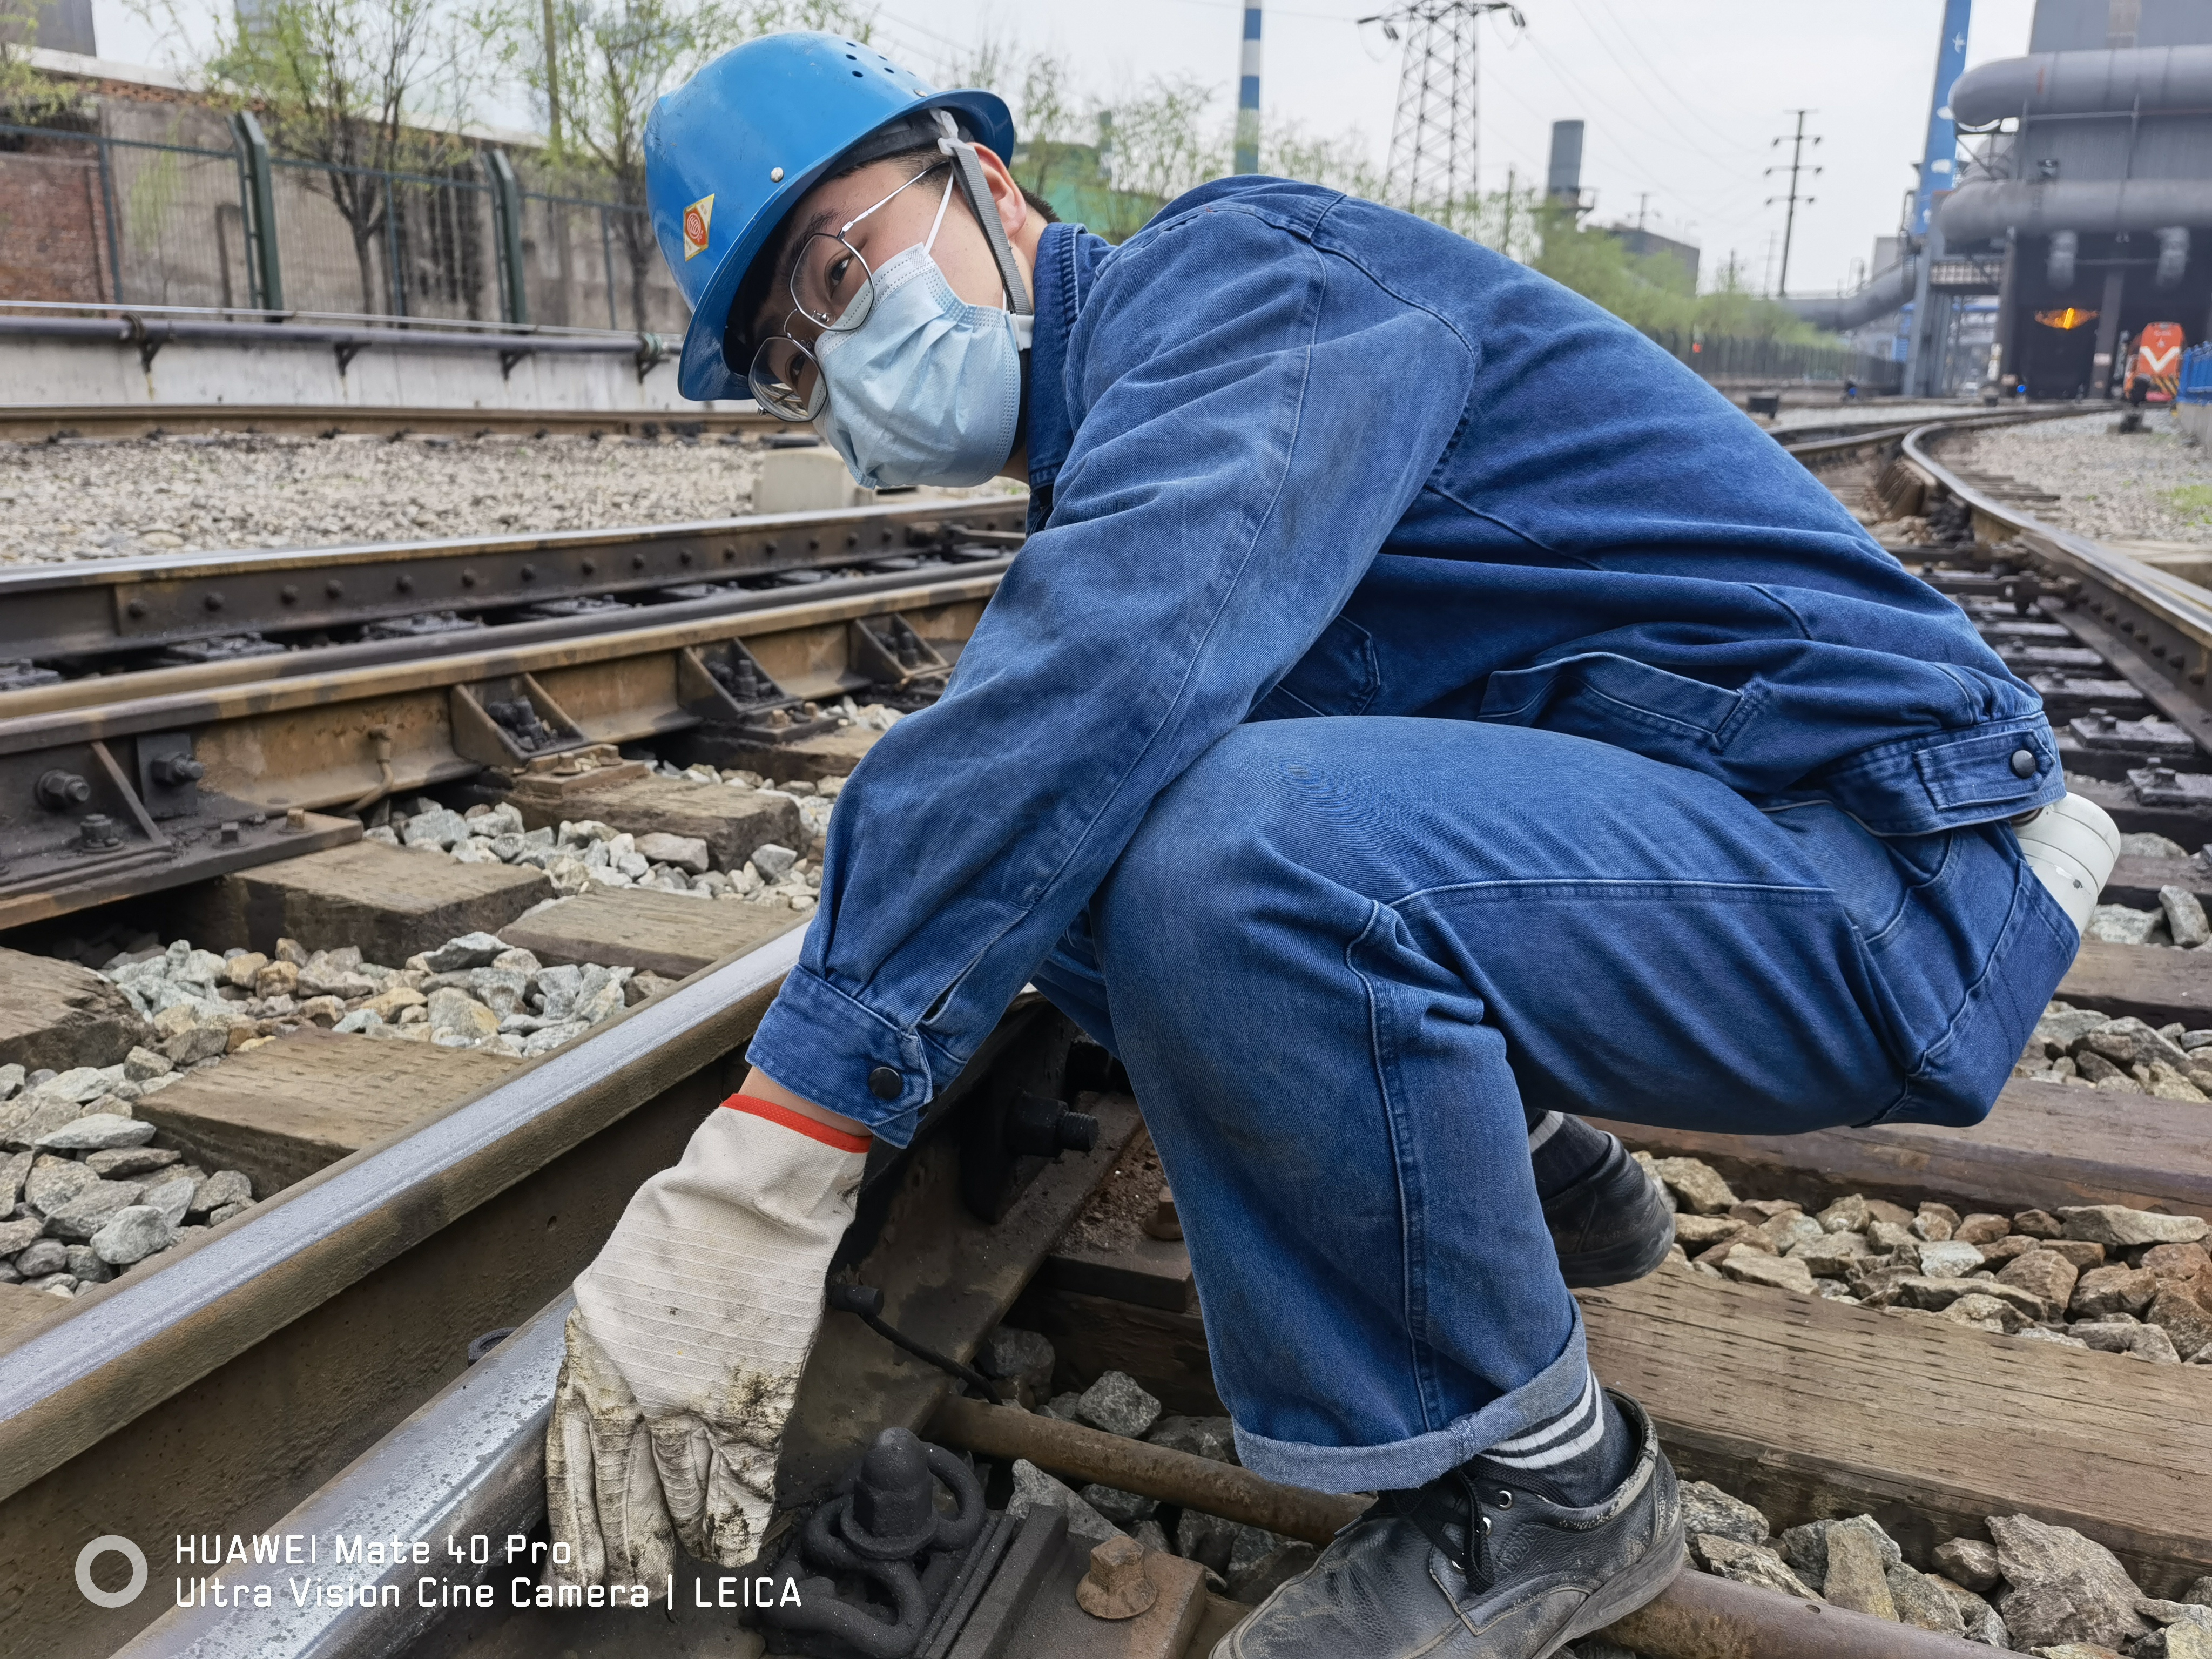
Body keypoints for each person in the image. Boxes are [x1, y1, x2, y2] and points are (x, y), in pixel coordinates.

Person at [542, 31, 2117, 1659]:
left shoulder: (1240, 282)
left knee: (1218, 845)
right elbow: (1058, 755)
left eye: (835, 267)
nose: (837, 353)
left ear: (989, 190)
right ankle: (1518, 1169)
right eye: (791, 360)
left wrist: (779, 1143)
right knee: (1078, 852)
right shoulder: (1135, 426)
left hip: (1888, 869)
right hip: (1748, 856)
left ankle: (1546, 1483)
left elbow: (1107, 665)